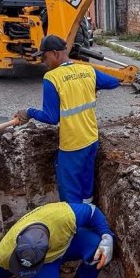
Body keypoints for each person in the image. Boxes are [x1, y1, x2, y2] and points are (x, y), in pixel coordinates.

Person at [15, 35, 120, 203]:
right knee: (86, 186)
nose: (43, 61)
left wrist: (29, 112)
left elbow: (51, 117)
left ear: (55, 53)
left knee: (70, 192)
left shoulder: (52, 78)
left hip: (72, 146)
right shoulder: (87, 71)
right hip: (91, 140)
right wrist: (93, 87)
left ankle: (75, 224)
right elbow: (114, 82)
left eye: (44, 56)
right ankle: (89, 214)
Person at [0, 201, 115, 278]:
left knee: (97, 245)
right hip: (44, 264)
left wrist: (107, 236)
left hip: (65, 246)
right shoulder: (5, 252)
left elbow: (92, 212)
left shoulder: (63, 216)